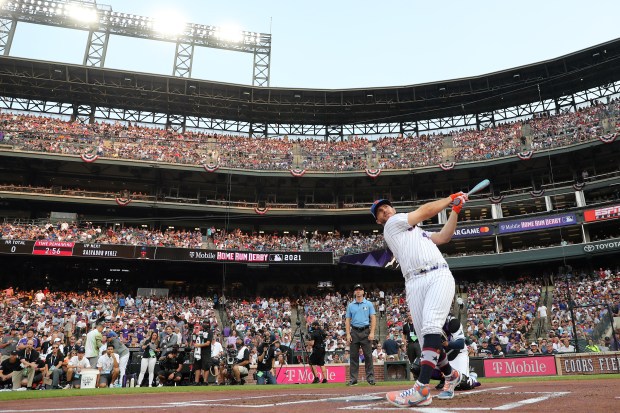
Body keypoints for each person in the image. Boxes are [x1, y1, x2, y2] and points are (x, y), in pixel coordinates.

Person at [371, 194, 467, 406]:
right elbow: (425, 211)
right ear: (378, 220)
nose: (385, 210)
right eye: (380, 211)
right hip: (413, 282)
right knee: (426, 341)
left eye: (387, 206)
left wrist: (455, 211)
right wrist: (451, 198)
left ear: (393, 209)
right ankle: (451, 376)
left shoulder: (419, 232)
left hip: (437, 274)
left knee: (432, 326)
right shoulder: (392, 225)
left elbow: (444, 237)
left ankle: (421, 389)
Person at [345, 284, 376, 386]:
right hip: (354, 331)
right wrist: (348, 334)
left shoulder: (369, 304)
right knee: (353, 356)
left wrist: (372, 332)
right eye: (356, 290)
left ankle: (370, 378)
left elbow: (373, 318)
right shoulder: (350, 305)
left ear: (363, 292)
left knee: (368, 356)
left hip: (365, 331)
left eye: (360, 290)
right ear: (354, 292)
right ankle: (353, 379)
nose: (358, 291)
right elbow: (348, 320)